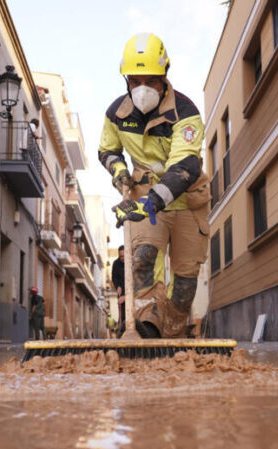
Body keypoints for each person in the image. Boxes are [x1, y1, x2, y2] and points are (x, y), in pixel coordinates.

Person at [99, 33, 211, 339]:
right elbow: (107, 150)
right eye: (135, 82)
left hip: (186, 202)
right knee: (143, 260)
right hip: (144, 198)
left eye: (150, 80)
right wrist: (119, 170)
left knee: (186, 283)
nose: (142, 89)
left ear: (164, 79)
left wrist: (149, 203)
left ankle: (173, 333)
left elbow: (185, 167)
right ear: (127, 82)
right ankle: (147, 328)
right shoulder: (116, 114)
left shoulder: (185, 113)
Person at [111, 245, 126, 336]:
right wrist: (118, 286)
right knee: (123, 316)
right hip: (121, 292)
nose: (122, 258)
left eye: (124, 256)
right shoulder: (116, 264)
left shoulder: (133, 263)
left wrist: (127, 296)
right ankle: (122, 334)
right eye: (121, 256)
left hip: (132, 294)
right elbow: (114, 277)